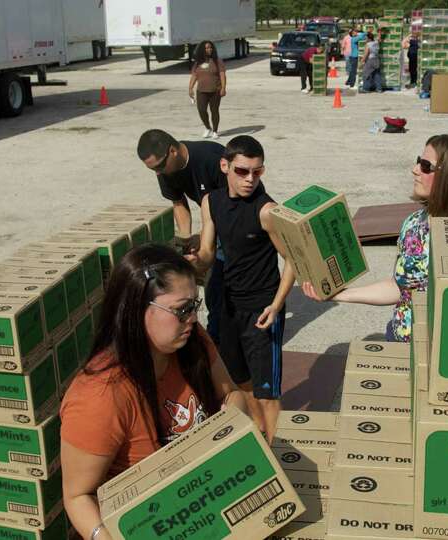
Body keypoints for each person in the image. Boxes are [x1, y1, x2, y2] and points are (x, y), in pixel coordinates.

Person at [60, 244, 247, 540]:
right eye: (181, 309)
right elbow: (77, 496)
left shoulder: (192, 343)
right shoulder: (99, 396)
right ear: (137, 309)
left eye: (195, 306)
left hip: (202, 507)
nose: (193, 319)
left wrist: (227, 426)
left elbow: (232, 394)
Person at [301, 134, 448, 342]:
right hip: (401, 340)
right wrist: (338, 294)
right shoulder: (414, 224)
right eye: (418, 161)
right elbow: (399, 287)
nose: (415, 169)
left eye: (425, 165)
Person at [187, 136, 295, 443]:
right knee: (239, 378)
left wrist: (276, 306)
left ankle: (276, 456)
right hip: (229, 305)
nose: (250, 179)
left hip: (262, 308)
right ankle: (260, 432)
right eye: (242, 171)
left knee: (268, 393)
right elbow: (208, 253)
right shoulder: (212, 202)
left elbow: (292, 261)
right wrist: (195, 262)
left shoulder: (267, 211)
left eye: (257, 172)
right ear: (225, 166)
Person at [137, 129, 226, 344]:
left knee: (220, 283)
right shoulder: (164, 170)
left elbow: (227, 211)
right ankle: (218, 340)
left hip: (237, 218)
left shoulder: (211, 160)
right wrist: (185, 242)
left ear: (173, 151)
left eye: (158, 166)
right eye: (152, 169)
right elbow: (179, 204)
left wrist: (205, 243)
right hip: (214, 218)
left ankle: (220, 344)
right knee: (212, 289)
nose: (157, 173)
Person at [188, 41, 226, 139]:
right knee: (201, 110)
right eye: (206, 48)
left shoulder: (217, 61)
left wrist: (223, 88)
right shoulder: (197, 63)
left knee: (214, 111)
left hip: (215, 90)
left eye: (210, 48)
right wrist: (190, 88)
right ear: (202, 50)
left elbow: (222, 75)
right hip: (201, 91)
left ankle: (215, 131)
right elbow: (194, 76)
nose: (209, 49)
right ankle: (208, 128)